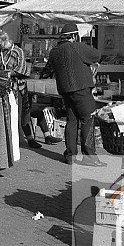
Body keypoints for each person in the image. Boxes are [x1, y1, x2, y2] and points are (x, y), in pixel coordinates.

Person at [46, 23, 105, 167]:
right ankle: (90, 157)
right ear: (74, 36)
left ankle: (70, 155)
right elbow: (97, 55)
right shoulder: (77, 47)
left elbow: (50, 69)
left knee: (71, 122)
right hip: (81, 89)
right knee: (88, 119)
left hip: (65, 91)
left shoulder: (54, 51)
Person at [0, 30, 60, 148]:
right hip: (0, 88)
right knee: (17, 114)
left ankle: (33, 138)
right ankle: (41, 136)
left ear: (5, 40)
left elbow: (21, 70)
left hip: (17, 88)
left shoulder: (18, 52)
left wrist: (5, 74)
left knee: (23, 113)